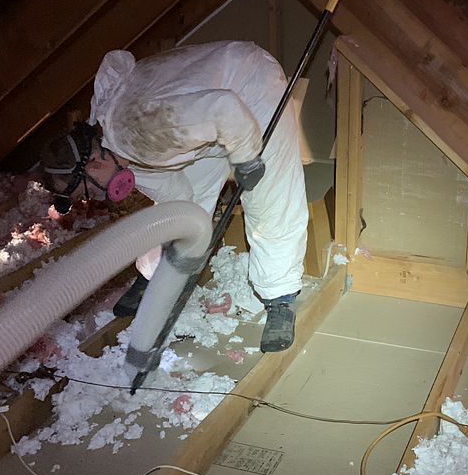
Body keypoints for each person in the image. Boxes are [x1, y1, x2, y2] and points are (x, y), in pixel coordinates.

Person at [39, 41, 308, 353]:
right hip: (195, 118)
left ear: (94, 165)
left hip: (249, 88)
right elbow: (176, 198)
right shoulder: (112, 148)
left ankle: (280, 296)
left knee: (269, 199)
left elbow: (223, 108)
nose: (96, 198)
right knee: (182, 206)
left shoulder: (141, 132)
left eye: (87, 191)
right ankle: (155, 276)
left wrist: (246, 159)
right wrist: (174, 259)